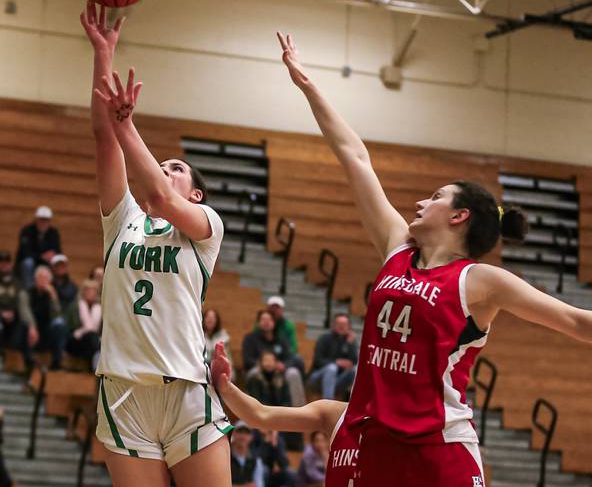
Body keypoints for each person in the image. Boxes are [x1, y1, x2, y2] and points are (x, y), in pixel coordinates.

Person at [209, 31, 592, 487]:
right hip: (375, 443)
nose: (418, 204)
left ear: (459, 216)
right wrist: (307, 85)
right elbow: (355, 156)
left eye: (434, 197)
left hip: (440, 449)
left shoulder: (480, 280)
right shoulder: (397, 247)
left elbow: (575, 322)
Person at [82, 0, 231, 486]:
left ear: (197, 193)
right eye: (161, 163)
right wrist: (103, 55)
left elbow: (161, 197)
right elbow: (105, 140)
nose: (166, 170)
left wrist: (129, 125)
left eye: (177, 167)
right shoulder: (121, 219)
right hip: (124, 392)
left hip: (185, 390)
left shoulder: (205, 227)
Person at [242, 310, 305, 406]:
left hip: (278, 371)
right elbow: (247, 359)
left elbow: (291, 358)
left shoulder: (281, 339)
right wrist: (263, 365)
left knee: (293, 373)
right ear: (258, 323)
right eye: (263, 319)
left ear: (274, 323)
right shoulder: (250, 338)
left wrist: (283, 365)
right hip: (259, 370)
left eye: (269, 319)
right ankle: (253, 411)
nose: (266, 322)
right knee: (253, 373)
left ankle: (300, 412)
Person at [0, 252, 32, 365]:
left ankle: (21, 357)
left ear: (11, 264)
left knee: (24, 324)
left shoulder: (17, 282)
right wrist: (1, 312)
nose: (4, 265)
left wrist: (13, 313)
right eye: (1, 263)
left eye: (6, 263)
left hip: (12, 318)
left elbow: (21, 302)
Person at [307, 313, 357, 400]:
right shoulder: (324, 338)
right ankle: (328, 402)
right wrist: (336, 363)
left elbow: (354, 361)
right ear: (333, 325)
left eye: (344, 324)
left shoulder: (350, 341)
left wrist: (351, 345)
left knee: (355, 370)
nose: (341, 327)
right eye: (339, 324)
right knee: (331, 368)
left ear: (349, 327)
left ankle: (355, 406)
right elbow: (318, 361)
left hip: (338, 380)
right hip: (318, 377)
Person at [25, 266, 67, 370]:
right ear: (35, 279)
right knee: (24, 326)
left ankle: (57, 361)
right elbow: (25, 312)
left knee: (59, 324)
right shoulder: (27, 292)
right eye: (40, 278)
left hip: (45, 332)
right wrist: (32, 327)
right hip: (29, 330)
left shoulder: (51, 294)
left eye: (46, 279)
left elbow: (58, 314)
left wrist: (53, 295)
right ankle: (28, 362)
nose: (43, 281)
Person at [16, 206, 62, 289]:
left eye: (46, 220)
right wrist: (41, 256)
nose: (44, 223)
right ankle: (29, 289)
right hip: (31, 263)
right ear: (36, 220)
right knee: (28, 263)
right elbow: (25, 252)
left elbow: (57, 251)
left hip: (46, 264)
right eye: (41, 220)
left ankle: (55, 290)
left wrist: (53, 256)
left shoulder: (54, 233)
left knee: (59, 263)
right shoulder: (27, 231)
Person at [64, 280, 102, 371]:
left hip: (93, 340)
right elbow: (69, 327)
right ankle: (94, 367)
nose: (90, 293)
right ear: (83, 292)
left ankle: (93, 367)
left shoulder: (100, 308)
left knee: (92, 338)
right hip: (76, 340)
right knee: (91, 336)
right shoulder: (74, 307)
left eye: (93, 291)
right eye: (88, 290)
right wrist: (83, 331)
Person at [230, 422, 264, 487]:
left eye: (246, 433)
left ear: (251, 437)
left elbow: (259, 484)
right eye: (240, 431)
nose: (243, 436)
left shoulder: (256, 460)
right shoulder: (225, 458)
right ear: (233, 433)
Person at [203, 309, 234, 378]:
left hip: (219, 372)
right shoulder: (199, 336)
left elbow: (227, 359)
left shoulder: (223, 337)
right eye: (208, 317)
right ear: (203, 319)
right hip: (202, 371)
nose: (210, 320)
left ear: (217, 321)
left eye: (213, 318)